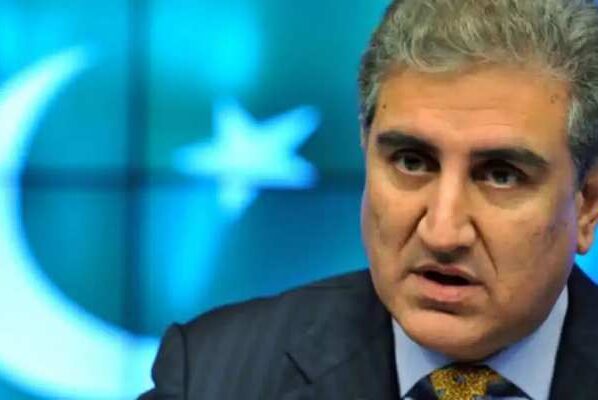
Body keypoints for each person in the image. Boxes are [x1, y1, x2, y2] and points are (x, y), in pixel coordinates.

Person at [140, 1, 598, 399]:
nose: (442, 233)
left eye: (501, 175)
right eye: (412, 162)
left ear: (587, 205)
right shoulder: (212, 375)